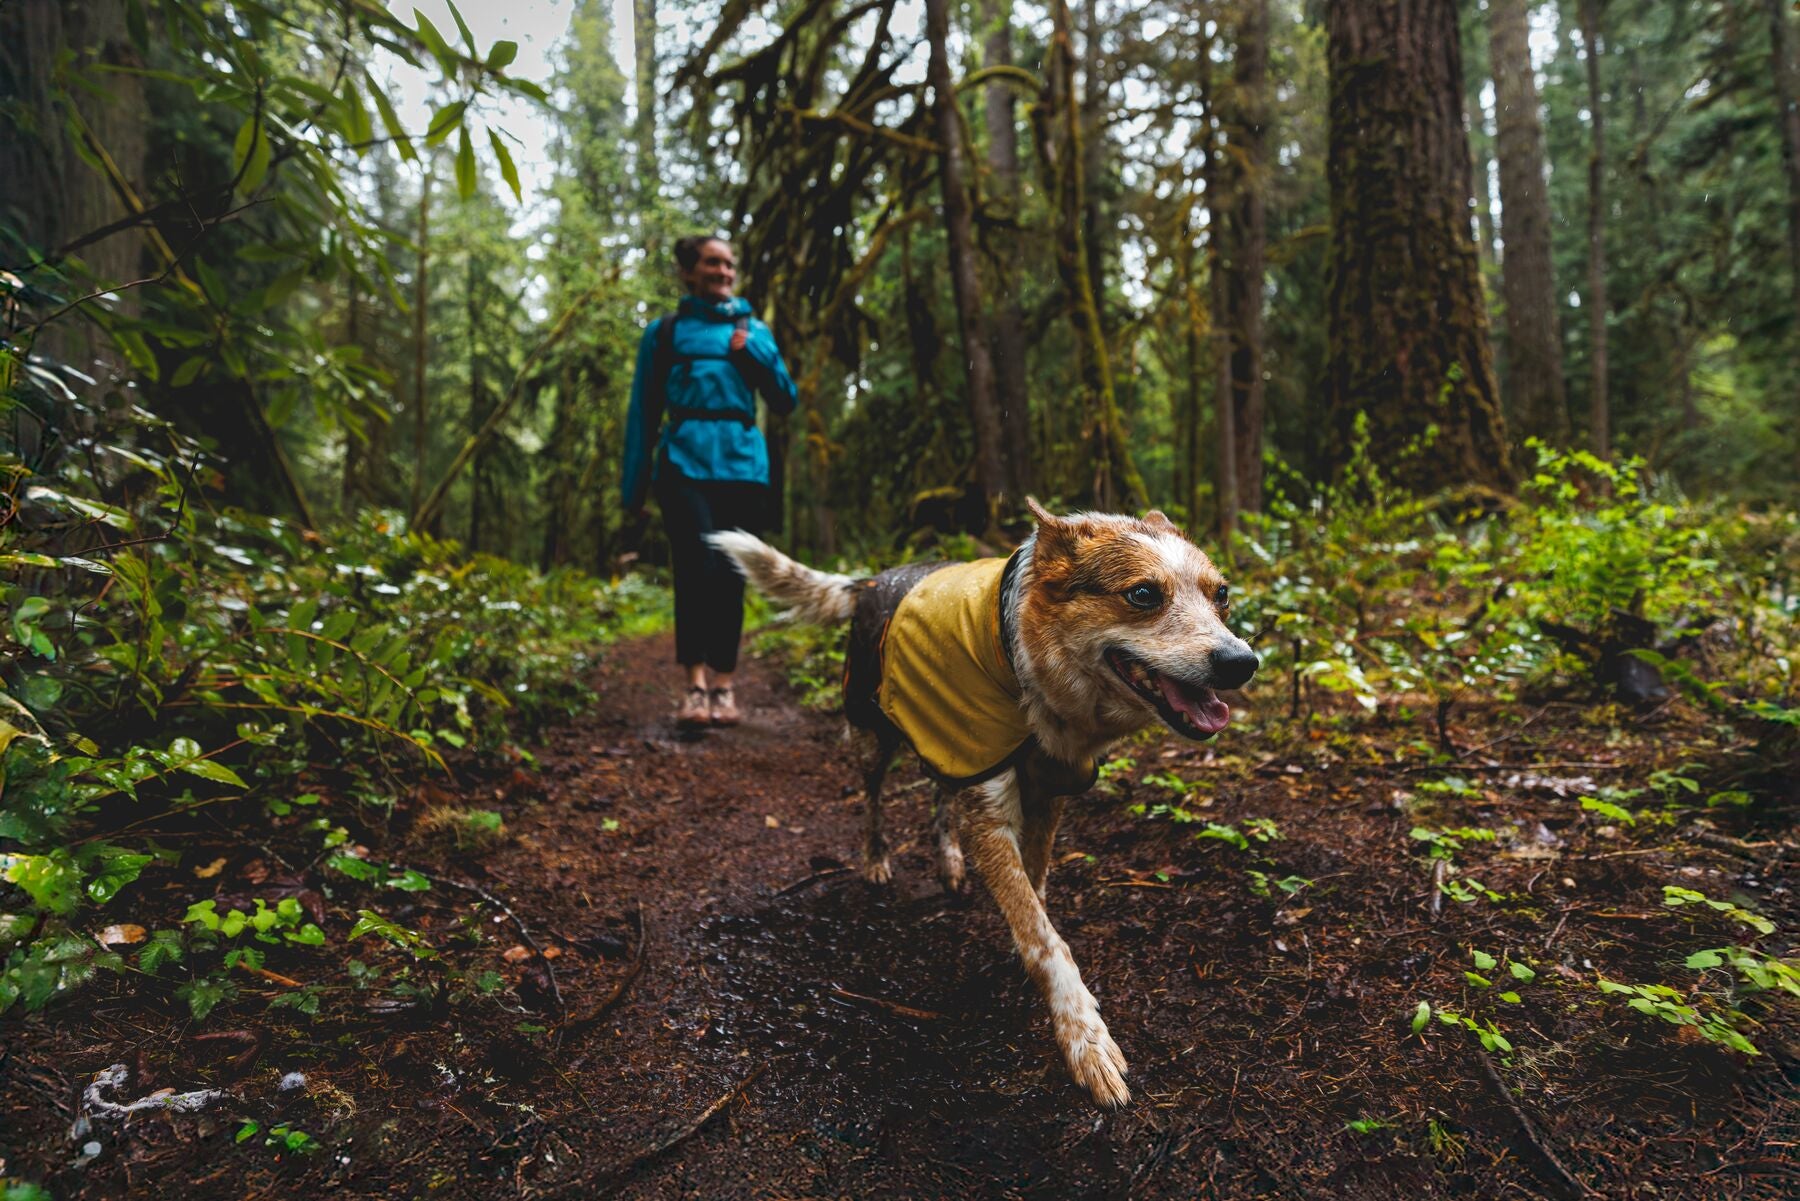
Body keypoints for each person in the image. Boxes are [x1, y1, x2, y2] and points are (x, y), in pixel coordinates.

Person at [622, 235, 797, 729]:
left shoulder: (753, 328)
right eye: (712, 263)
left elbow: (785, 400)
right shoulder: (665, 332)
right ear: (689, 272)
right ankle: (694, 686)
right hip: (683, 464)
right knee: (694, 568)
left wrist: (754, 356)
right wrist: (632, 490)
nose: (723, 272)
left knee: (730, 573)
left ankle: (724, 685)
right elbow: (643, 411)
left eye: (729, 264)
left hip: (743, 468)